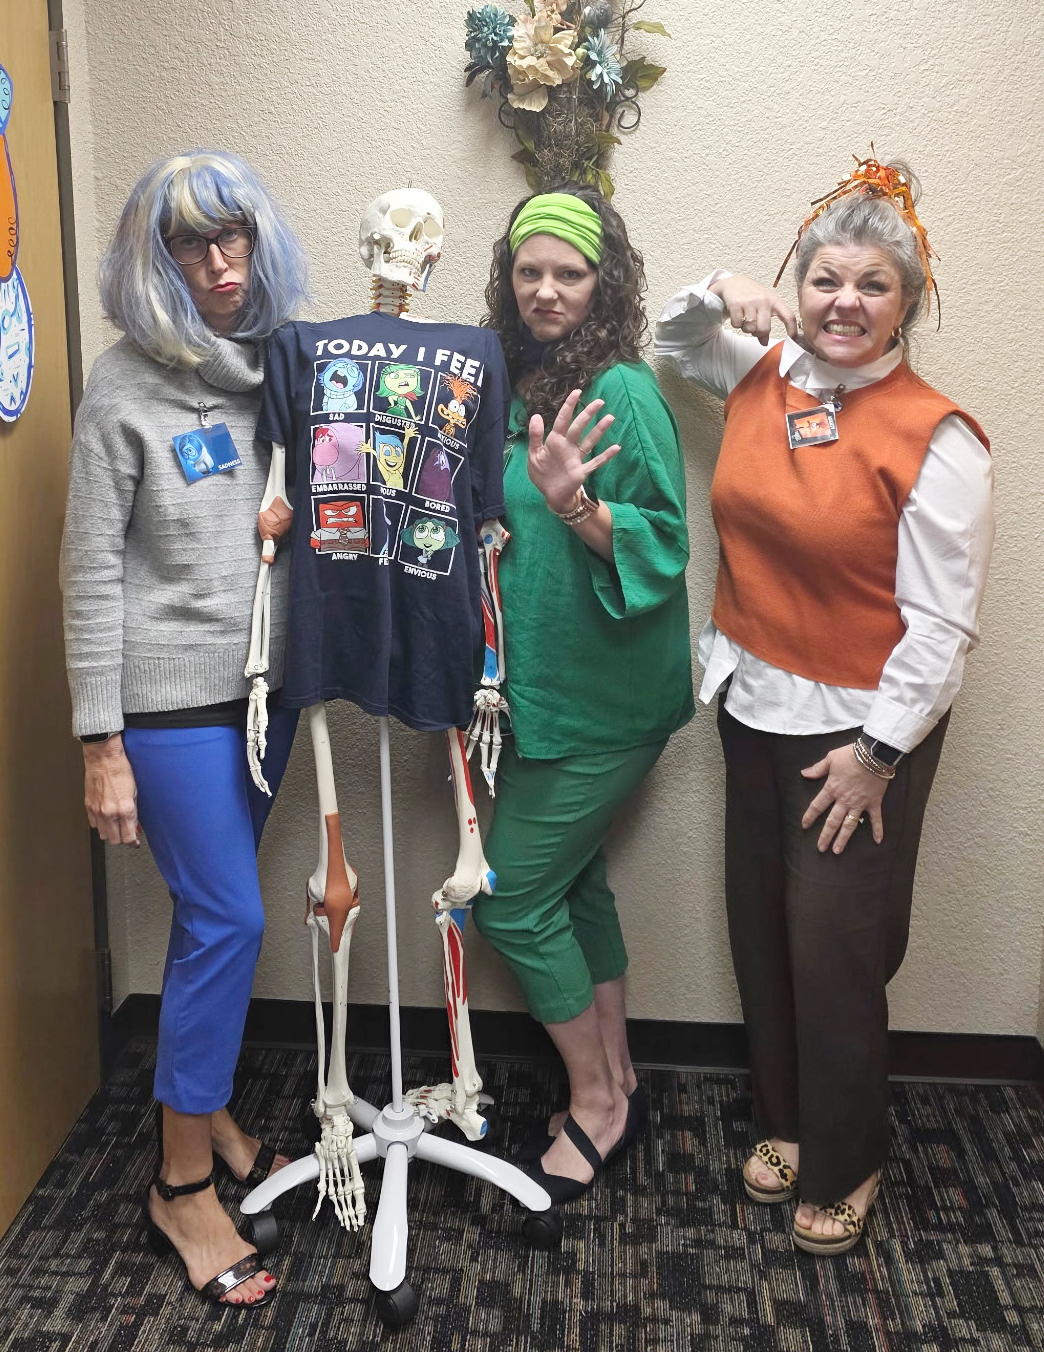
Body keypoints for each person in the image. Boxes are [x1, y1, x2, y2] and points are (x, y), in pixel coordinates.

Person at [654, 159, 993, 1253]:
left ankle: (850, 1156)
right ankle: (790, 1120)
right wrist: (722, 286)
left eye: (875, 286)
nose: (845, 303)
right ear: (797, 288)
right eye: (825, 280)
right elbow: (671, 341)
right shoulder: (764, 373)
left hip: (858, 732)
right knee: (761, 929)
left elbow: (942, 625)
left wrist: (876, 755)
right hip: (751, 701)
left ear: (911, 301)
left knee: (835, 948)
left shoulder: (937, 434)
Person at [60, 150, 309, 1306]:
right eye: (190, 245)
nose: (218, 263)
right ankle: (180, 1182)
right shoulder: (123, 385)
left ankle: (205, 1107)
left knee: (209, 922)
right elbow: (90, 572)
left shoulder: (277, 369)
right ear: (153, 261)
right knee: (230, 916)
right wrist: (99, 739)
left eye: (235, 238)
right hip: (163, 702)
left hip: (262, 690)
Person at [471, 187, 693, 1202]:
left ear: (604, 280)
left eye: (569, 271)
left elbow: (665, 543)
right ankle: (621, 1081)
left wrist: (579, 504)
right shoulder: (511, 380)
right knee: (571, 885)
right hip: (534, 693)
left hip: (607, 700)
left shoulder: (625, 389)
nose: (547, 289)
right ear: (508, 281)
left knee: (511, 897)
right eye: (530, 271)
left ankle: (598, 1101)